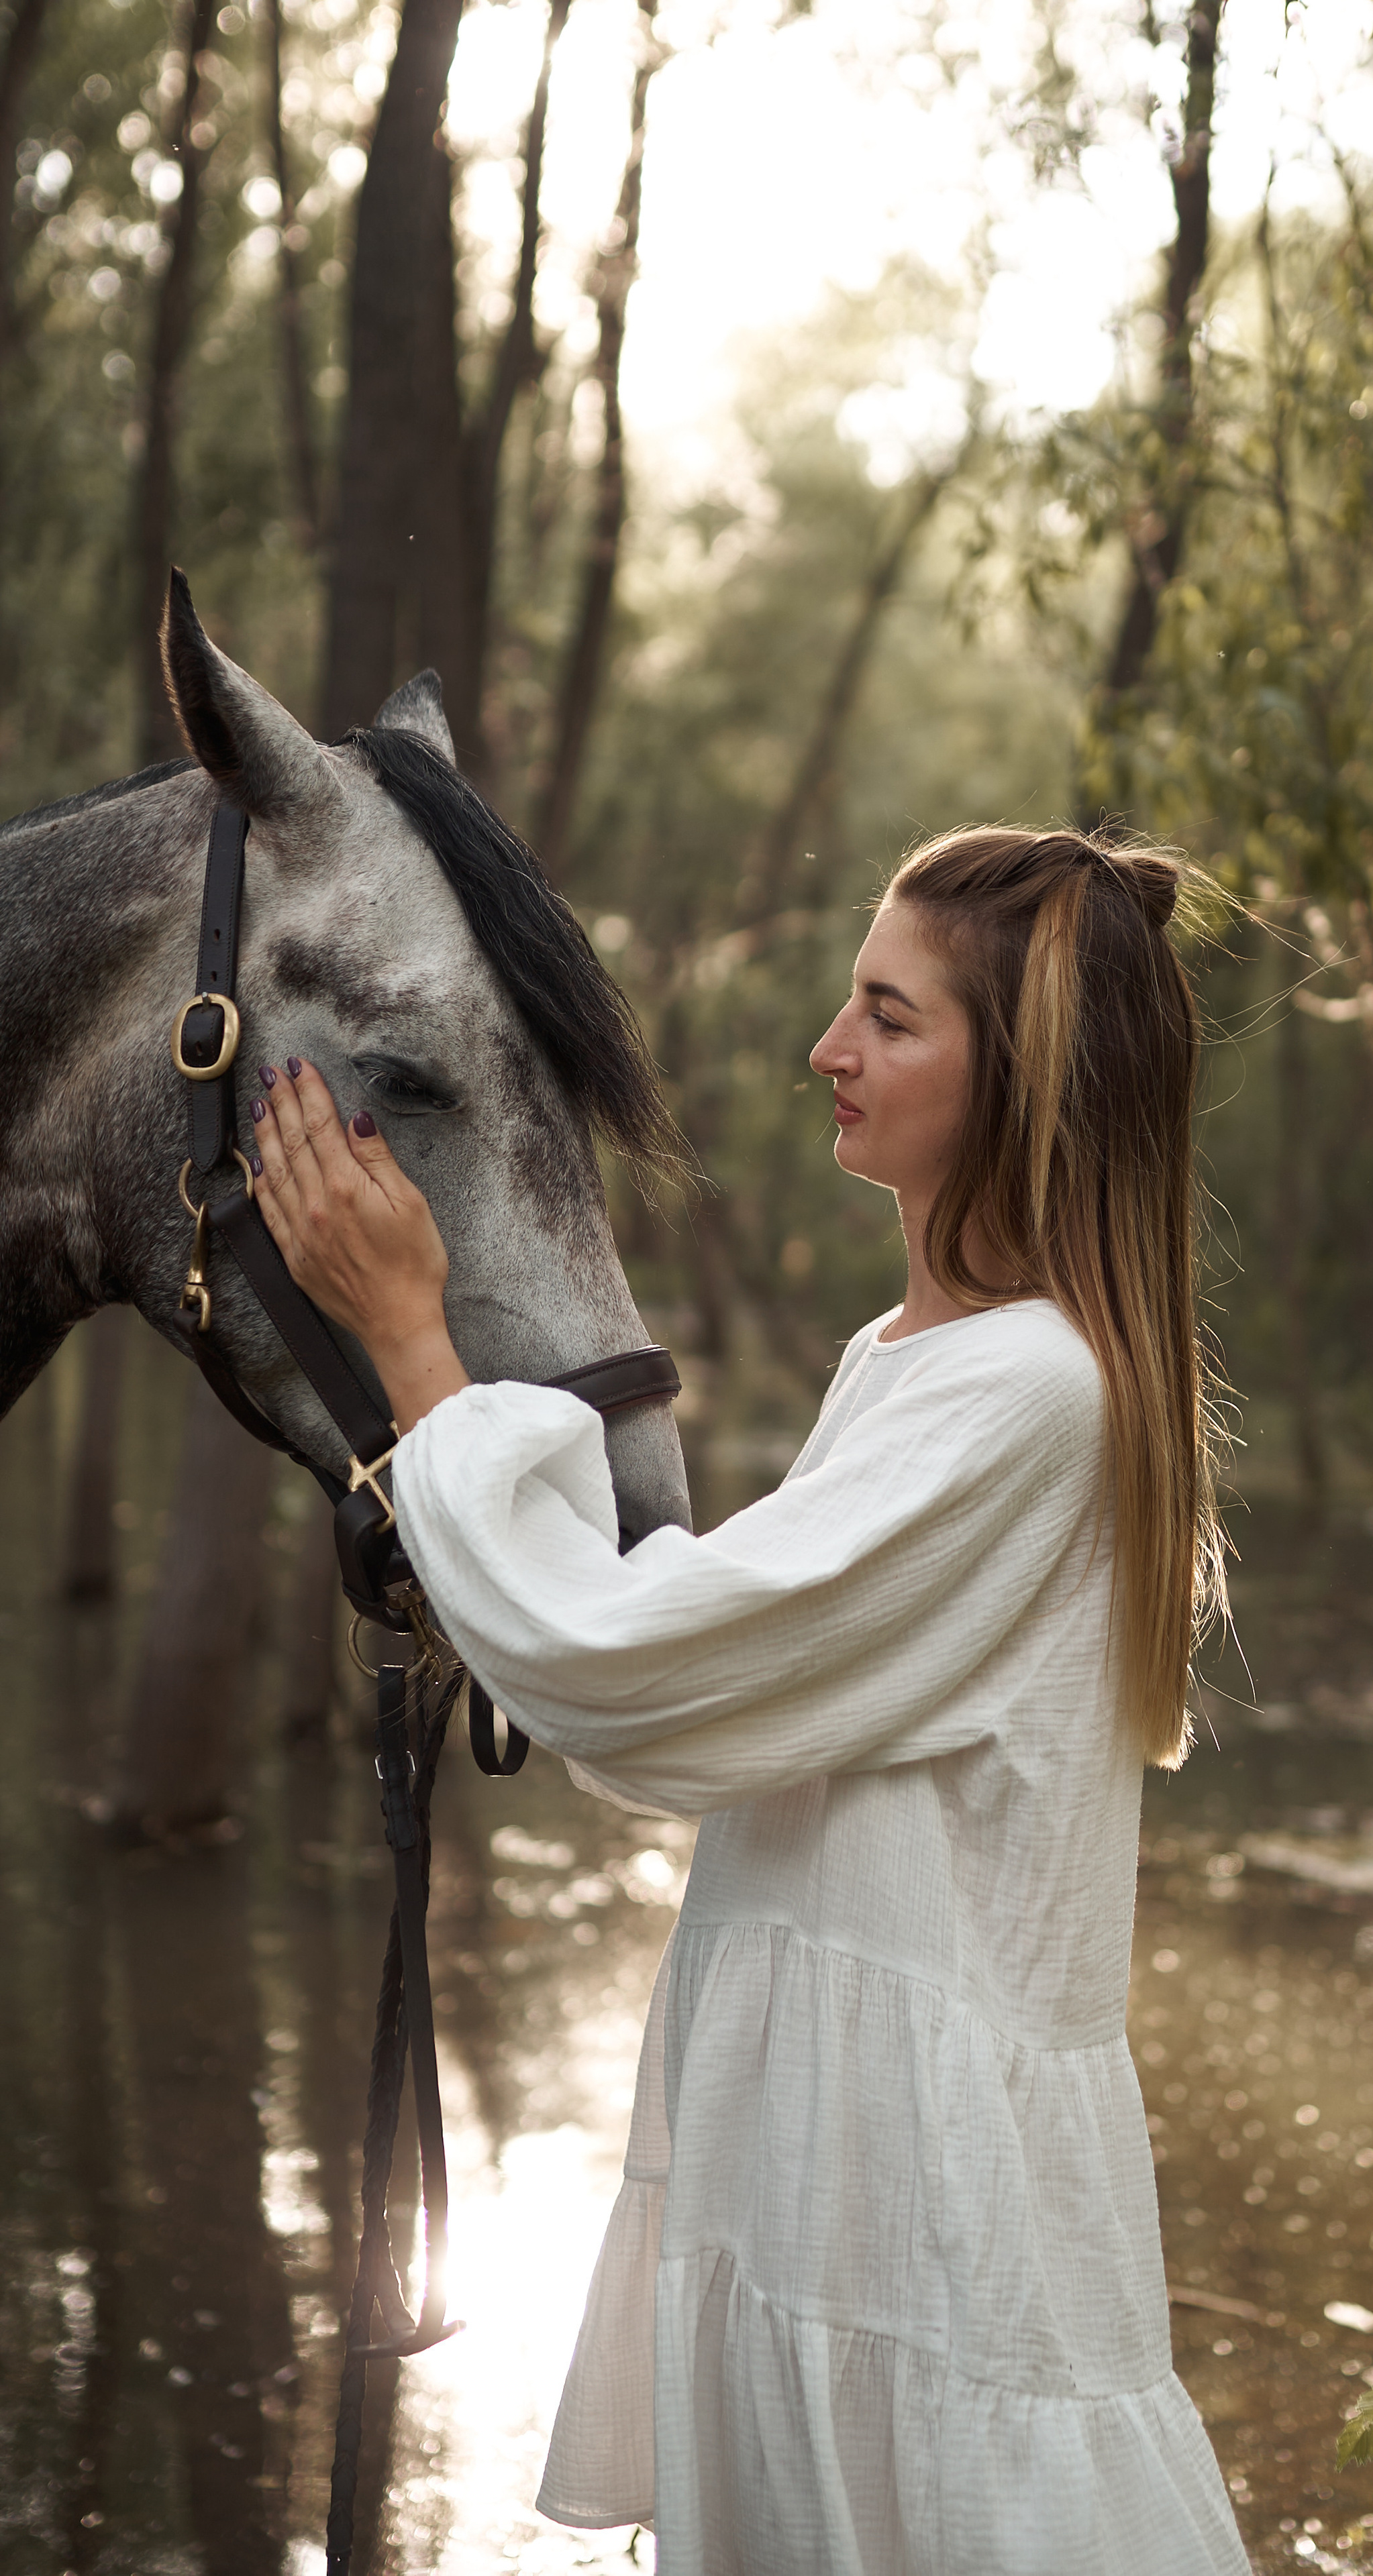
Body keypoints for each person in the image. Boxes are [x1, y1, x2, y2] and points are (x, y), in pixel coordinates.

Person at [246, 824, 1249, 2576]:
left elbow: (641, 1678)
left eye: (891, 1017)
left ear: (1019, 1089)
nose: (828, 1049)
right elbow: (725, 1674)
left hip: (914, 2211)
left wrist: (416, 1345)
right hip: (834, 2163)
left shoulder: (1031, 1394)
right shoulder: (911, 1360)